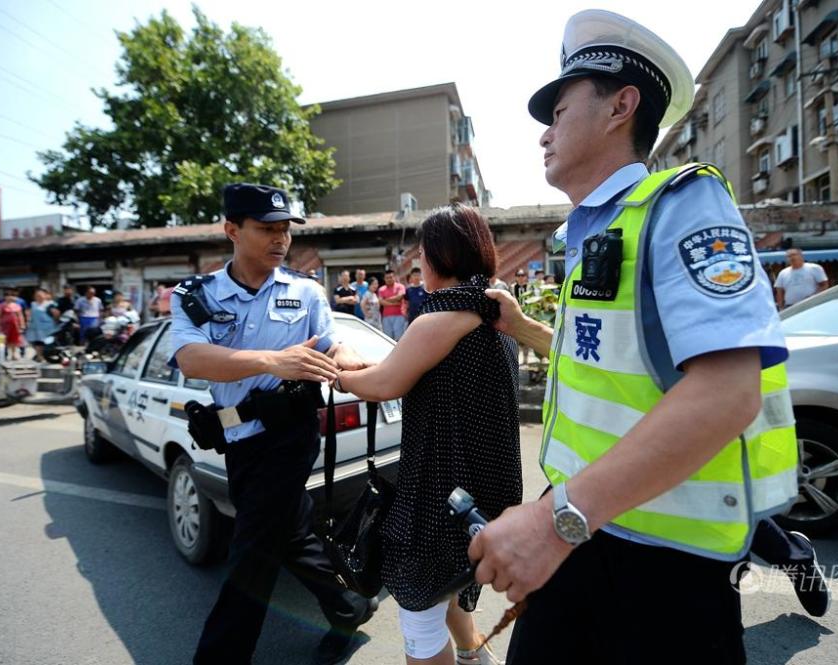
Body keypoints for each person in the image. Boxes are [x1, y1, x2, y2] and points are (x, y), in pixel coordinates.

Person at [469, 11, 809, 663]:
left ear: (621, 105)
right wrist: (524, 329)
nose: (544, 132)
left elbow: (729, 392)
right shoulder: (598, 230)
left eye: (559, 107)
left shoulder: (682, 204)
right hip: (583, 539)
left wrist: (553, 520)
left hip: (660, 577)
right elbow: (607, 365)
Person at [170, 183, 377, 665]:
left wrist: (352, 360)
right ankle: (350, 604)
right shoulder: (195, 295)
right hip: (237, 439)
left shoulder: (306, 291)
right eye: (266, 228)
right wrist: (272, 360)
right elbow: (192, 359)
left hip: (290, 434)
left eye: (285, 229)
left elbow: (330, 344)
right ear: (231, 230)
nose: (280, 238)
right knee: (290, 538)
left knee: (251, 551)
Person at [337, 204, 521, 665]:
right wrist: (366, 367)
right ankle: (476, 658)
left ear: (441, 255)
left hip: (440, 492)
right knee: (453, 587)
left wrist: (339, 377)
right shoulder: (496, 314)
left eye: (421, 253)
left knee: (420, 609)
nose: (419, 264)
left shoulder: (440, 317)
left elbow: (385, 384)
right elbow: (408, 367)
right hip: (487, 491)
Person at [26, 288, 57, 361]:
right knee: (37, 342)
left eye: (40, 295)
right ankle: (39, 356)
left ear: (45, 295)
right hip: (36, 327)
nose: (38, 297)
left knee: (47, 342)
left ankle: (46, 356)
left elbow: (56, 314)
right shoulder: (33, 304)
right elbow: (30, 314)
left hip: (48, 327)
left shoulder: (50, 304)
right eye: (37, 295)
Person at [0, 290, 26, 361]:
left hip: (15, 326)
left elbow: (20, 316)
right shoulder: (0, 306)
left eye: (12, 296)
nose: (10, 297)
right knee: (3, 341)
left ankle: (13, 354)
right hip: (4, 326)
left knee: (14, 340)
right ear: (5, 297)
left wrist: (22, 325)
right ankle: (4, 354)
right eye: (8, 296)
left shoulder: (17, 306)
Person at [378, 269, 407, 340]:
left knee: (399, 338)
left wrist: (386, 300)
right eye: (387, 278)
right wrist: (394, 303)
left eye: (391, 277)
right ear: (384, 279)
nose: (389, 279)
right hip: (386, 317)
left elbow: (399, 297)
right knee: (388, 338)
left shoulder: (400, 286)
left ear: (394, 277)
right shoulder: (381, 289)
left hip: (399, 315)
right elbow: (381, 302)